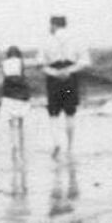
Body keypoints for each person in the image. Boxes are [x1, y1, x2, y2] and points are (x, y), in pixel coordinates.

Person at [37, 16, 91, 157]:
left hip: (53, 80)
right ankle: (70, 147)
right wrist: (69, 70)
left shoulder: (46, 41)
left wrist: (55, 72)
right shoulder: (77, 39)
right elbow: (85, 62)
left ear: (54, 25)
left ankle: (56, 143)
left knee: (53, 113)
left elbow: (40, 63)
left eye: (50, 25)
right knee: (70, 113)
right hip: (70, 79)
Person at [0, 45, 32, 162]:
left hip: (8, 95)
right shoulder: (22, 63)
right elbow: (26, 78)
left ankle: (13, 146)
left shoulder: (2, 65)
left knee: (11, 123)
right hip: (22, 96)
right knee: (21, 123)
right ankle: (22, 146)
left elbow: (0, 83)